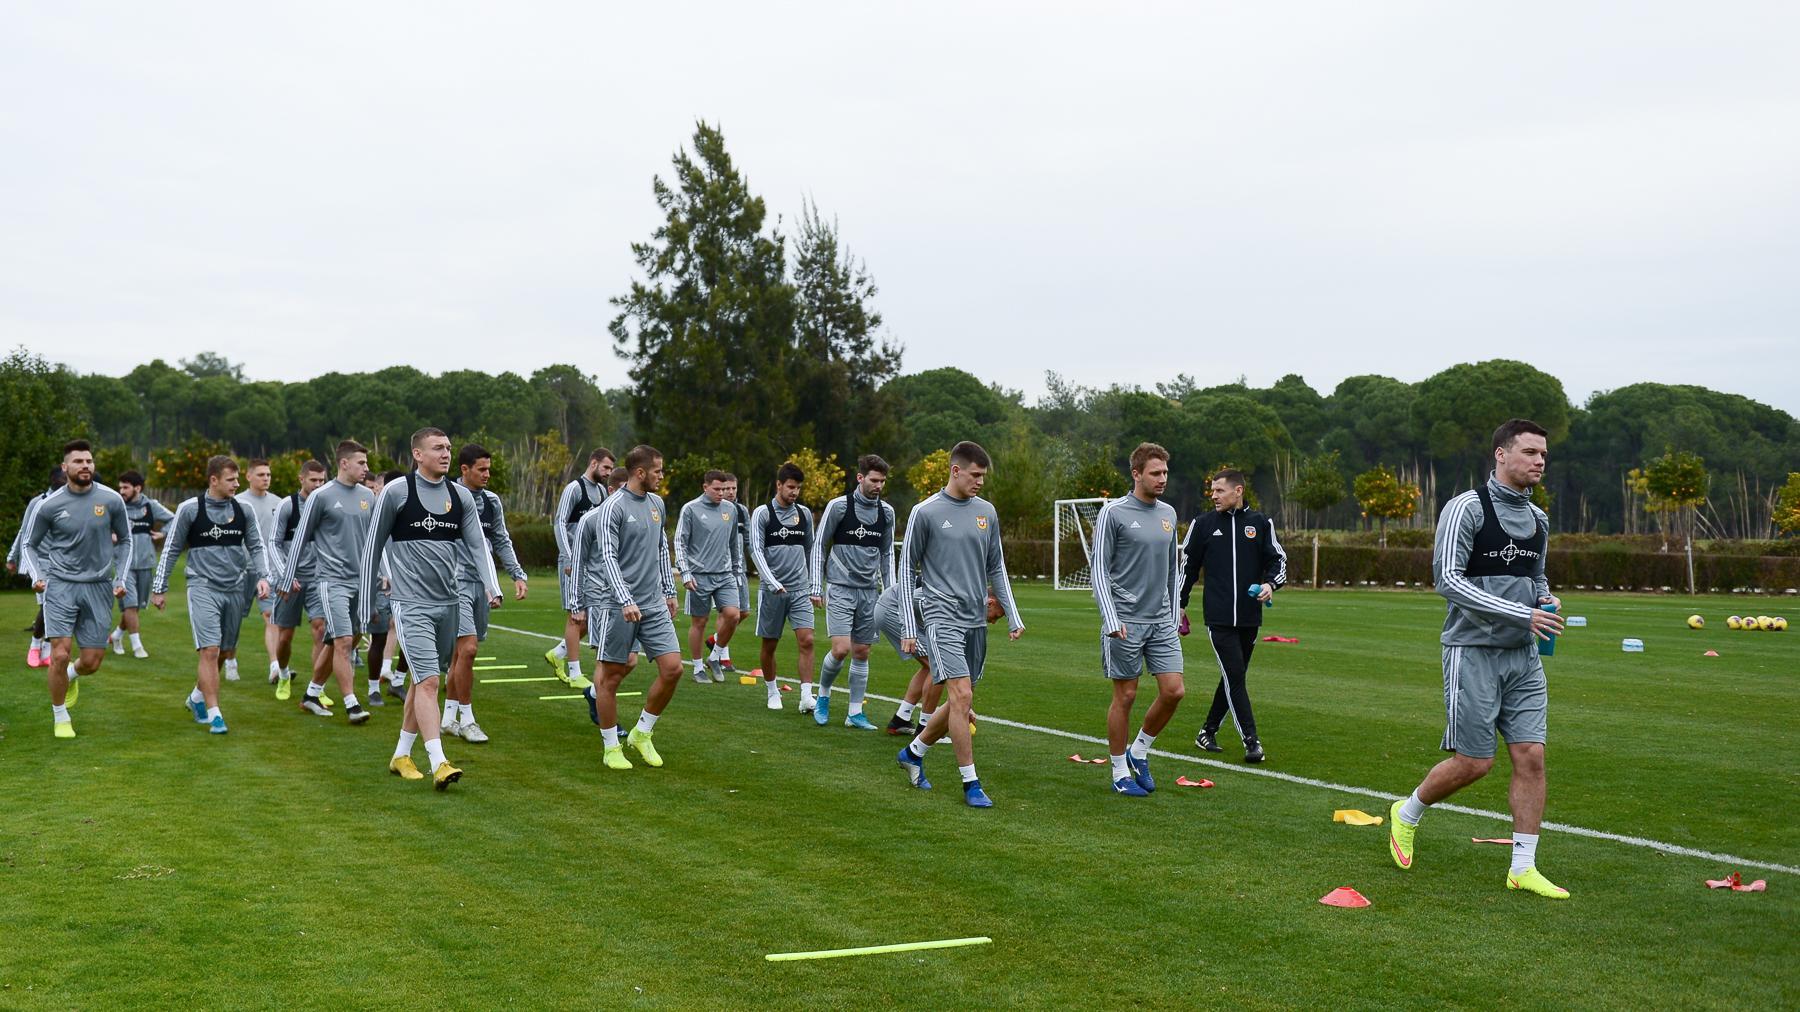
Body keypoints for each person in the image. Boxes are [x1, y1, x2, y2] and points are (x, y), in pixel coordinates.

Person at [1387, 419, 1569, 900]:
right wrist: (1520, 613)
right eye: (1530, 452)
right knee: (1474, 763)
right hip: (1472, 652)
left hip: (1524, 657)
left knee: (1532, 756)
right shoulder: (1466, 508)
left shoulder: (1539, 518)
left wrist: (1545, 599)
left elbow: (1536, 576)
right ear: (1501, 454)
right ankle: (1407, 812)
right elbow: (1447, 580)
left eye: (1544, 454)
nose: (1540, 461)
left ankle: (1522, 867)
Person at [893, 441, 1023, 807]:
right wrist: (908, 625)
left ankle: (913, 752)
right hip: (940, 616)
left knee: (959, 701)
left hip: (975, 620)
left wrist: (1012, 615)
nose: (980, 482)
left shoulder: (987, 512)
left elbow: (996, 566)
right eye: (975, 475)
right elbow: (906, 569)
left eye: (983, 476)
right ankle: (971, 783)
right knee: (961, 696)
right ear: (955, 471)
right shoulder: (925, 512)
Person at [364, 427, 489, 789]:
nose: (446, 453)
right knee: (431, 682)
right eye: (437, 448)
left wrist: (492, 586)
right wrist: (365, 603)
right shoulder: (396, 492)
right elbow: (372, 547)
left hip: (449, 603)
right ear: (417, 454)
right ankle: (439, 761)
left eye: (448, 447)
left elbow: (478, 546)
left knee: (423, 682)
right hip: (410, 604)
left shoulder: (460, 496)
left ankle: (401, 755)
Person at [573, 445, 683, 772]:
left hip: (653, 603)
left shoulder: (657, 504)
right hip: (617, 606)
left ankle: (642, 733)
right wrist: (625, 599)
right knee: (610, 677)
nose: (661, 476)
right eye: (658, 471)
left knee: (673, 669)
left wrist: (669, 590)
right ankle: (611, 747)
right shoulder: (613, 507)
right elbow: (607, 556)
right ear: (640, 472)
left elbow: (661, 549)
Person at [1090, 443, 1186, 796]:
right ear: (1136, 474)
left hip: (1160, 620)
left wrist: (1173, 615)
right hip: (1125, 620)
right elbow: (1098, 570)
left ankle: (1140, 750)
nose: (1162, 479)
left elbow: (1172, 571)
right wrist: (1110, 617)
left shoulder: (1168, 514)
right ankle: (1119, 772)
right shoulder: (1113, 513)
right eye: (1155, 473)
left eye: (1165, 473)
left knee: (1174, 691)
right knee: (1126, 696)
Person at [151, 455, 271, 734]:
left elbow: (257, 546)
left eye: (237, 479)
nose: (237, 484)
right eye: (231, 479)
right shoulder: (190, 509)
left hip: (235, 587)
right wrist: (159, 588)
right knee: (210, 650)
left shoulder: (244, 510)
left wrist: (264, 576)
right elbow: (171, 549)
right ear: (213, 480)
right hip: (202, 585)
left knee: (224, 651)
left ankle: (196, 697)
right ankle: (215, 714)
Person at [1178, 468, 1286, 763]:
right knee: (1235, 676)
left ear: (1238, 491)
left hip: (1250, 617)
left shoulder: (1261, 523)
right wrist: (1179, 604)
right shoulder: (1203, 524)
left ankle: (1207, 731)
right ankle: (1252, 741)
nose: (1213, 496)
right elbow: (1187, 568)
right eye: (1212, 491)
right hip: (1219, 617)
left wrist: (1270, 584)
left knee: (1232, 676)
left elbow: (1278, 560)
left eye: (1219, 490)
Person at [25, 441, 131, 738]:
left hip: (98, 587)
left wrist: (120, 578)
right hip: (60, 586)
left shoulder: (111, 500)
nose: (85, 466)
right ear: (65, 467)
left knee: (92, 661)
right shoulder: (50, 505)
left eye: (88, 461)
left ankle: (71, 675)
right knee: (59, 654)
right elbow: (29, 544)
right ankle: (60, 716)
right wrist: (38, 574)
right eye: (78, 461)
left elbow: (126, 539)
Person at [276, 439, 375, 724]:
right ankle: (352, 704)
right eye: (361, 463)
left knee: (345, 640)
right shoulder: (321, 497)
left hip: (361, 583)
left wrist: (384, 574)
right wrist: (287, 578)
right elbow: (299, 540)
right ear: (344, 463)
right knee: (342, 640)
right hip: (331, 581)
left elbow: (375, 540)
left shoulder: (369, 496)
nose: (366, 468)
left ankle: (311, 694)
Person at [443, 444, 527, 743]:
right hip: (454, 585)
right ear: (464, 469)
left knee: (461, 655)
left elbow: (501, 539)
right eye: (481, 469)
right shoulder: (446, 497)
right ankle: (467, 720)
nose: (487, 474)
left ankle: (447, 718)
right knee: (468, 650)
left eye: (488, 469)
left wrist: (517, 574)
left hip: (481, 584)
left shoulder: (492, 502)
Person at [808, 455, 897, 729]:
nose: (878, 486)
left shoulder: (887, 513)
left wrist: (891, 592)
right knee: (841, 649)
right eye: (874, 480)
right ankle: (823, 696)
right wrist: (816, 585)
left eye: (882, 481)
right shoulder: (838, 506)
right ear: (860, 478)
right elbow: (819, 545)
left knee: (862, 651)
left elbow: (887, 554)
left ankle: (855, 713)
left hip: (870, 592)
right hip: (840, 588)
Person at [750, 463, 818, 714]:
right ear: (779, 485)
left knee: (807, 639)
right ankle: (772, 691)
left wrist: (815, 584)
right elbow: (756, 550)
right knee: (769, 645)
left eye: (798, 488)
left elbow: (811, 550)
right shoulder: (763, 513)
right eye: (790, 487)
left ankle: (806, 696)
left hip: (800, 590)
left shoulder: (805, 514)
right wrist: (772, 582)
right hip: (772, 591)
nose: (794, 492)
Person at [547, 448, 612, 690]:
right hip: (572, 563)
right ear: (593, 463)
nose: (608, 472)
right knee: (575, 616)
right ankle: (575, 673)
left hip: (592, 566)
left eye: (610, 469)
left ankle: (558, 653)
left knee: (589, 616)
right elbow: (559, 523)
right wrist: (569, 558)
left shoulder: (602, 492)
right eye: (605, 467)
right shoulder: (574, 488)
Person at [673, 470, 746, 684]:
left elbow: (734, 543)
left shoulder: (730, 509)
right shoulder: (691, 509)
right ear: (705, 487)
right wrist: (685, 572)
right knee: (700, 622)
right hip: (699, 576)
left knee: (734, 615)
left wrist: (737, 570)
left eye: (724, 489)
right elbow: (680, 542)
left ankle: (715, 657)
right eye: (716, 489)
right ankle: (697, 668)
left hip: (725, 574)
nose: (721, 493)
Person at [267, 460, 329, 702]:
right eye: (313, 480)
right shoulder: (288, 506)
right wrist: (286, 574)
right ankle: (283, 673)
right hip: (289, 580)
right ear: (301, 479)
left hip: (318, 578)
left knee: (321, 629)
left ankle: (317, 688)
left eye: (322, 480)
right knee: (285, 637)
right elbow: (273, 543)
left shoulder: (326, 505)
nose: (318, 485)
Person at [109, 470, 174, 659]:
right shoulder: (116, 506)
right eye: (120, 487)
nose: (121, 491)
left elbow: (174, 519)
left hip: (146, 563)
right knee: (130, 604)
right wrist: (109, 534)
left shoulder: (151, 506)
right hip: (123, 565)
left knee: (135, 606)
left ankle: (117, 636)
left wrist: (163, 533)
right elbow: (99, 525)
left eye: (125, 487)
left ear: (137, 488)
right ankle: (138, 647)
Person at [7, 466, 66, 668]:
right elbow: (24, 531)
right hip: (40, 562)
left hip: (63, 564)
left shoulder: (71, 503)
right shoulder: (37, 502)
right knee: (47, 605)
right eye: (63, 478)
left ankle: (47, 650)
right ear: (54, 480)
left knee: (57, 608)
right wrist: (12, 557)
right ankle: (34, 646)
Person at [234, 458, 283, 683]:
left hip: (268, 572)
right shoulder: (237, 503)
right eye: (261, 474)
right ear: (248, 476)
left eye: (268, 475)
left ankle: (275, 666)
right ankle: (230, 661)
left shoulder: (278, 503)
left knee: (270, 616)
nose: (266, 478)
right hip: (241, 571)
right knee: (233, 620)